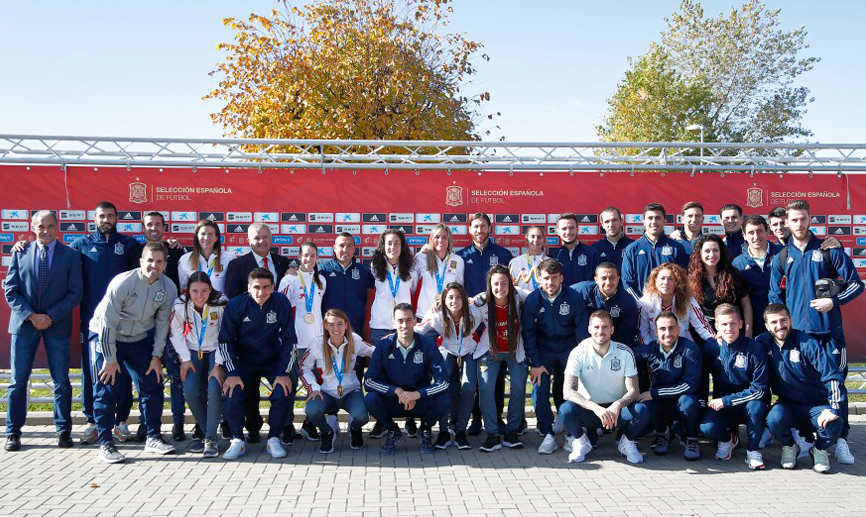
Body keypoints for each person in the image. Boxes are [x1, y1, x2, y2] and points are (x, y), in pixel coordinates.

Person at [769, 200, 864, 465]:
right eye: (794, 220)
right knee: (797, 384)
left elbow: (856, 285)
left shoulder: (829, 249)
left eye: (803, 219)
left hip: (829, 334)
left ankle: (841, 440)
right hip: (798, 335)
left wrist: (834, 301)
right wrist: (779, 323)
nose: (798, 224)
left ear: (810, 220)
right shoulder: (782, 256)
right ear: (786, 223)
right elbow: (773, 295)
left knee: (836, 385)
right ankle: (805, 436)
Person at [87, 243, 178, 463]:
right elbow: (108, 323)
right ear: (141, 261)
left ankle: (153, 436)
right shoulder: (123, 282)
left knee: (153, 383)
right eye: (149, 260)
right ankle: (106, 443)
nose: (153, 265)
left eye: (158, 261)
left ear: (165, 264)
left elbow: (162, 324)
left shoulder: (168, 287)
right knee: (107, 387)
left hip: (138, 338)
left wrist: (157, 356)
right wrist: (109, 358)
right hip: (106, 337)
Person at [4, 211, 82, 451]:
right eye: (41, 226)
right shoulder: (20, 252)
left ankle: (63, 431)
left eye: (50, 226)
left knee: (61, 381)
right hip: (24, 324)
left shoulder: (70, 255)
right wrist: (31, 316)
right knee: (18, 382)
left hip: (55, 325)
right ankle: (13, 432)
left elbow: (75, 292)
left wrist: (50, 316)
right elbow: (10, 289)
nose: (46, 231)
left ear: (57, 227)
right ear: (32, 226)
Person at [67, 202, 142, 445]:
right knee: (92, 372)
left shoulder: (129, 245)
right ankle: (92, 422)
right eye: (102, 216)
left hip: (123, 323)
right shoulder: (80, 245)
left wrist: (171, 245)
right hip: (92, 324)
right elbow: (58, 260)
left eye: (110, 215)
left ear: (117, 217)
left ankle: (121, 421)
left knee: (121, 373)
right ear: (94, 218)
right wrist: (23, 245)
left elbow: (149, 265)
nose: (106, 219)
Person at [218, 268, 297, 460]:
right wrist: (232, 372)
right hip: (244, 360)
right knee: (231, 390)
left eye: (265, 287)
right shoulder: (236, 305)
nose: (261, 292)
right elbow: (225, 341)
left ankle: (274, 439)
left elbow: (289, 340)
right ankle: (237, 440)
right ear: (248, 287)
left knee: (283, 390)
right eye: (256, 287)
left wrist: (284, 372)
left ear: (272, 288)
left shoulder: (281, 302)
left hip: (272, 358)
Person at [759, 304, 847, 473]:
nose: (780, 325)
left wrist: (834, 408)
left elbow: (832, 375)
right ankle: (789, 446)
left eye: (783, 320)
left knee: (834, 423)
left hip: (817, 404)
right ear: (767, 326)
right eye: (774, 322)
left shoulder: (807, 342)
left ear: (791, 320)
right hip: (788, 404)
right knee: (774, 419)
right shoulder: (762, 342)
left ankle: (819, 450)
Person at [222, 222, 290, 442]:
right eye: (256, 238)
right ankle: (246, 431)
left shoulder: (282, 262)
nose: (261, 241)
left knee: (285, 384)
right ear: (248, 240)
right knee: (244, 389)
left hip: (272, 348)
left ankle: (278, 433)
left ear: (272, 238)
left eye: (265, 237)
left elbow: (289, 335)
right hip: (246, 347)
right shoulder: (238, 265)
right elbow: (231, 300)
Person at [558, 310, 648, 464]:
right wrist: (594, 407)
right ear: (589, 329)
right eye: (596, 327)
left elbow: (634, 390)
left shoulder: (625, 352)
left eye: (605, 327)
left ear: (612, 330)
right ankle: (581, 442)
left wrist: (617, 404)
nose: (601, 331)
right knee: (566, 410)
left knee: (642, 411)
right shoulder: (578, 353)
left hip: (616, 411)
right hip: (590, 410)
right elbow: (567, 391)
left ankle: (627, 442)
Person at [521, 259, 588, 454]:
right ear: (539, 279)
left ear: (561, 278)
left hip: (569, 349)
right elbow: (529, 334)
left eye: (554, 278)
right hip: (544, 350)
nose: (550, 283)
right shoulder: (533, 300)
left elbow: (581, 332)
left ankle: (570, 430)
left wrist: (580, 360)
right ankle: (547, 431)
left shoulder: (573, 297)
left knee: (570, 386)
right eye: (546, 278)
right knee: (539, 384)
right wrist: (535, 362)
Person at [364, 303, 449, 455]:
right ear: (393, 323)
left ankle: (425, 429)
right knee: (370, 399)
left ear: (415, 321)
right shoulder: (384, 345)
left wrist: (418, 394)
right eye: (400, 321)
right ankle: (393, 430)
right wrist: (396, 391)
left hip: (419, 400)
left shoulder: (428, 344)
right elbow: (369, 381)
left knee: (443, 399)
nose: (405, 325)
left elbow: (443, 382)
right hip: (394, 400)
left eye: (409, 320)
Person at [457, 212, 513, 436]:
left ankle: (496, 417)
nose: (479, 230)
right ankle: (475, 419)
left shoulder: (503, 254)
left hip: (498, 321)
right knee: (474, 376)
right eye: (475, 227)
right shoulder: (461, 256)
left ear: (490, 228)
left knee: (496, 375)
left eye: (483, 226)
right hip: (472, 323)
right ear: (470, 229)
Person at [698, 304, 768, 470]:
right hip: (724, 406)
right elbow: (702, 380)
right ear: (716, 325)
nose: (729, 328)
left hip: (748, 404)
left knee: (757, 407)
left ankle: (753, 451)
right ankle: (728, 439)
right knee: (706, 427)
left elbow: (760, 389)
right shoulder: (710, 347)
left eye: (733, 323)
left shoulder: (755, 348)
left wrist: (726, 400)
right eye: (724, 324)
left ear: (741, 324)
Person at [415, 282, 483, 450]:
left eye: (459, 297)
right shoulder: (437, 314)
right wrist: (395, 336)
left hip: (469, 350)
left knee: (468, 388)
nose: (455, 301)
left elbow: (486, 298)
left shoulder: (474, 312)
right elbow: (418, 329)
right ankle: (444, 432)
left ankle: (460, 431)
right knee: (443, 387)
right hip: (447, 349)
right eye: (450, 297)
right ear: (443, 300)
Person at [169, 271, 228, 458]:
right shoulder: (180, 304)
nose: (200, 296)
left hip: (216, 350)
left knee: (213, 387)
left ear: (210, 289)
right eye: (195, 291)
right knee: (190, 390)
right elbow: (175, 332)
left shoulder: (221, 302)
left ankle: (210, 437)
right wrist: (185, 359)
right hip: (192, 350)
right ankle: (205, 431)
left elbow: (226, 334)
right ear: (188, 290)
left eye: (204, 291)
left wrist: (219, 364)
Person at [473, 265, 530, 452]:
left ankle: (512, 431)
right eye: (495, 283)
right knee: (486, 387)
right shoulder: (481, 300)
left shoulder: (520, 296)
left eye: (504, 283)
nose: (500, 287)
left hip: (515, 351)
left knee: (520, 387)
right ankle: (492, 434)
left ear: (511, 283)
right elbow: (458, 306)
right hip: (490, 351)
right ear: (489, 284)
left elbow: (539, 299)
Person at [300, 309, 374, 453]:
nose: (336, 329)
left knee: (362, 416)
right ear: (325, 326)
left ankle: (354, 429)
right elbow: (303, 367)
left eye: (340, 324)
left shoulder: (355, 340)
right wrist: (313, 387)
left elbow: (374, 352)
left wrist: (389, 343)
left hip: (351, 392)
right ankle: (327, 432)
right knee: (312, 410)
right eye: (331, 324)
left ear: (346, 325)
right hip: (325, 393)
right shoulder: (317, 343)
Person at [142, 211, 188, 442]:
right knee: (148, 379)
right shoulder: (134, 252)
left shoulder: (177, 251)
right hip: (142, 329)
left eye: (158, 224)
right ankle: (147, 425)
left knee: (176, 378)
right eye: (150, 224)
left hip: (171, 329)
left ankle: (178, 424)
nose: (154, 227)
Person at [634, 311, 702, 460]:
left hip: (682, 400)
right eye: (662, 329)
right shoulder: (650, 349)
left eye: (671, 328)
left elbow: (690, 385)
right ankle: (662, 432)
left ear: (678, 329)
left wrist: (654, 393)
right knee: (642, 404)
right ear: (656, 331)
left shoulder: (690, 349)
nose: (667, 333)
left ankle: (691, 438)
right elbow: (627, 356)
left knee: (688, 402)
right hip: (662, 402)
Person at [278, 241, 327, 442]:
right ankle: (286, 426)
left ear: (317, 258)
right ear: (299, 257)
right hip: (294, 342)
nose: (309, 259)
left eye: (313, 255)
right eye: (305, 255)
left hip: (316, 342)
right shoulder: (288, 280)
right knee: (289, 385)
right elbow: (282, 309)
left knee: (316, 383)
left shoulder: (321, 280)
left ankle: (310, 423)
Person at [687, 234, 753, 335]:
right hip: (707, 334)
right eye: (707, 251)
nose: (712, 254)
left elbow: (746, 305)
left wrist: (748, 333)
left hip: (733, 331)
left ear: (721, 252)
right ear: (700, 253)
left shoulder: (734, 275)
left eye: (715, 250)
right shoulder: (693, 280)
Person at [621, 203, 689, 300]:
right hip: (641, 307)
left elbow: (682, 280)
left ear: (664, 221)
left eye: (658, 218)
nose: (654, 222)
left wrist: (670, 302)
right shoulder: (632, 249)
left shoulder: (676, 248)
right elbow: (627, 282)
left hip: (669, 308)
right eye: (650, 218)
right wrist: (641, 304)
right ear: (644, 221)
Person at [637, 263, 715, 346]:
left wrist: (714, 339)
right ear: (655, 281)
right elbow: (642, 333)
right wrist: (652, 348)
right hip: (655, 346)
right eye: (662, 278)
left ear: (676, 282)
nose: (666, 282)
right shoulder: (645, 303)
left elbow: (702, 325)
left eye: (670, 279)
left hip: (683, 346)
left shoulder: (688, 300)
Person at [732, 215, 783, 337]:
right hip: (755, 328)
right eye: (751, 232)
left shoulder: (783, 254)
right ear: (744, 236)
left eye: (760, 231)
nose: (756, 236)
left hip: (783, 325)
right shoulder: (737, 264)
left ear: (767, 231)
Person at [319, 232, 375, 338]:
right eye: (341, 246)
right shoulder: (324, 271)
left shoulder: (364, 271)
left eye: (349, 246)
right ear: (334, 248)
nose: (345, 250)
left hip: (356, 329)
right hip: (331, 329)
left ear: (354, 249)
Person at [572, 262, 640, 348]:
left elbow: (627, 335)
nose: (608, 282)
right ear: (596, 280)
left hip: (613, 346)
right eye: (603, 278)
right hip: (584, 344)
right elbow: (565, 293)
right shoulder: (582, 291)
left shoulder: (628, 301)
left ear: (618, 279)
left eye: (612, 278)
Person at [414, 224, 465, 318]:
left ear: (449, 240)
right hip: (424, 315)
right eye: (437, 237)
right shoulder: (421, 258)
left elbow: (459, 289)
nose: (440, 240)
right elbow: (413, 286)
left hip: (449, 316)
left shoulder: (457, 260)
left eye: (444, 237)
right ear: (431, 239)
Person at [178, 219, 235, 293]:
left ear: (216, 238)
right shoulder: (185, 260)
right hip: (195, 304)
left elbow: (233, 290)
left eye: (210, 234)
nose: (206, 238)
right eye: (203, 234)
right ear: (197, 236)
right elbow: (183, 290)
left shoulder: (229, 258)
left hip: (220, 304)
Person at [550, 213, 602, 287]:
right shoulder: (553, 256)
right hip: (562, 298)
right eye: (564, 229)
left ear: (577, 229)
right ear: (558, 231)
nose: (568, 232)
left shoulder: (592, 253)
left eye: (571, 228)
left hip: (585, 298)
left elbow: (599, 282)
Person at [592, 207, 633, 272]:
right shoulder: (595, 248)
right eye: (607, 221)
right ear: (602, 225)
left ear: (621, 221)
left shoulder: (633, 246)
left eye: (614, 220)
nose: (611, 225)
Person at [509, 225, 548, 291]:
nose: (536, 240)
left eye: (539, 237)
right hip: (521, 300)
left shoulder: (549, 261)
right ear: (526, 240)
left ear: (544, 240)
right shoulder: (515, 262)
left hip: (544, 300)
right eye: (532, 237)